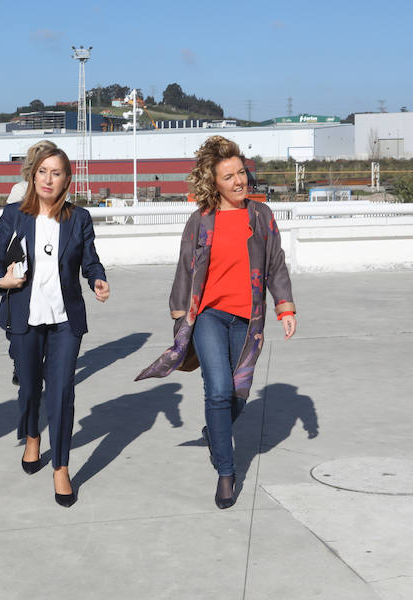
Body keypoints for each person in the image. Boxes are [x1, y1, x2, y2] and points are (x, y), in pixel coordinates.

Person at [135, 135, 296, 509]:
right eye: (229, 176)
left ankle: (214, 430)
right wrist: (180, 321)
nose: (239, 181)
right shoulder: (200, 221)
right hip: (208, 315)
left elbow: (276, 265)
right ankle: (226, 470)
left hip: (247, 320)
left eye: (242, 172)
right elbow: (184, 270)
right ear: (214, 183)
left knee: (236, 394)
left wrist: (285, 308)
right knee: (218, 390)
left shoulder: (262, 216)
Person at [0, 146, 109, 508]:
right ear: (32, 176)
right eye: (42, 172)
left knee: (63, 392)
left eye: (56, 173)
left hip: (65, 322)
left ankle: (61, 467)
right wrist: (1, 281)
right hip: (25, 317)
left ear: (66, 180)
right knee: (28, 389)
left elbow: (90, 261)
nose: (48, 179)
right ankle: (32, 435)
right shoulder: (14, 215)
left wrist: (97, 279)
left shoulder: (79, 218)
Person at [4, 140, 58, 386]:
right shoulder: (49, 189)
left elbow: (7, 229)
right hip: (41, 262)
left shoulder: (18, 189)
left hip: (21, 262)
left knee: (19, 315)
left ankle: (22, 362)